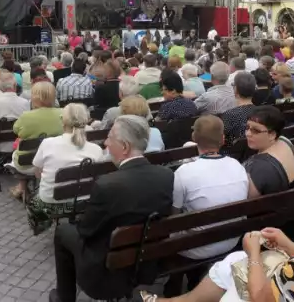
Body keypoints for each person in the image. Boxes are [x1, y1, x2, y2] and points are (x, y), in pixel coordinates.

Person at [141, 161, 294, 302]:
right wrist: (285, 243)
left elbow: (260, 297)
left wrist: (252, 252)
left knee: (241, 268)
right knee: (232, 262)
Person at [48, 116, 174, 302]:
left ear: (124, 147)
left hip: (106, 274)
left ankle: (64, 297)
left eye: (109, 138)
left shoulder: (107, 185)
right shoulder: (166, 175)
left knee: (63, 231)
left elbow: (86, 231)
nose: (105, 142)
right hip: (146, 263)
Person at [162, 116, 249, 297]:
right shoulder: (238, 166)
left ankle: (177, 285)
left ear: (194, 138)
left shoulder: (184, 172)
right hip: (231, 240)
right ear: (223, 139)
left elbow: (174, 215)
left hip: (195, 248)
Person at [28, 103, 104, 234]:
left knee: (33, 201)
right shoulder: (96, 150)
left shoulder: (48, 144)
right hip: (84, 201)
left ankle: (41, 226)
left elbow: (37, 173)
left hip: (51, 204)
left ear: (63, 121)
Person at [10, 82, 64, 198]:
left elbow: (16, 130)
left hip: (28, 163)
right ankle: (22, 188)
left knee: (16, 153)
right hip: (54, 160)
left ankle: (22, 187)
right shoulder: (63, 113)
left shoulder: (26, 116)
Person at [243, 106, 294, 197]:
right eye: (247, 127)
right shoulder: (285, 141)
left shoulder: (257, 167)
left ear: (272, 135)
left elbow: (246, 200)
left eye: (255, 130)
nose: (247, 133)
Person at [219, 72, 256, 144]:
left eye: (233, 85)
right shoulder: (260, 112)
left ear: (235, 89)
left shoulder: (230, 115)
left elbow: (220, 139)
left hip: (231, 153)